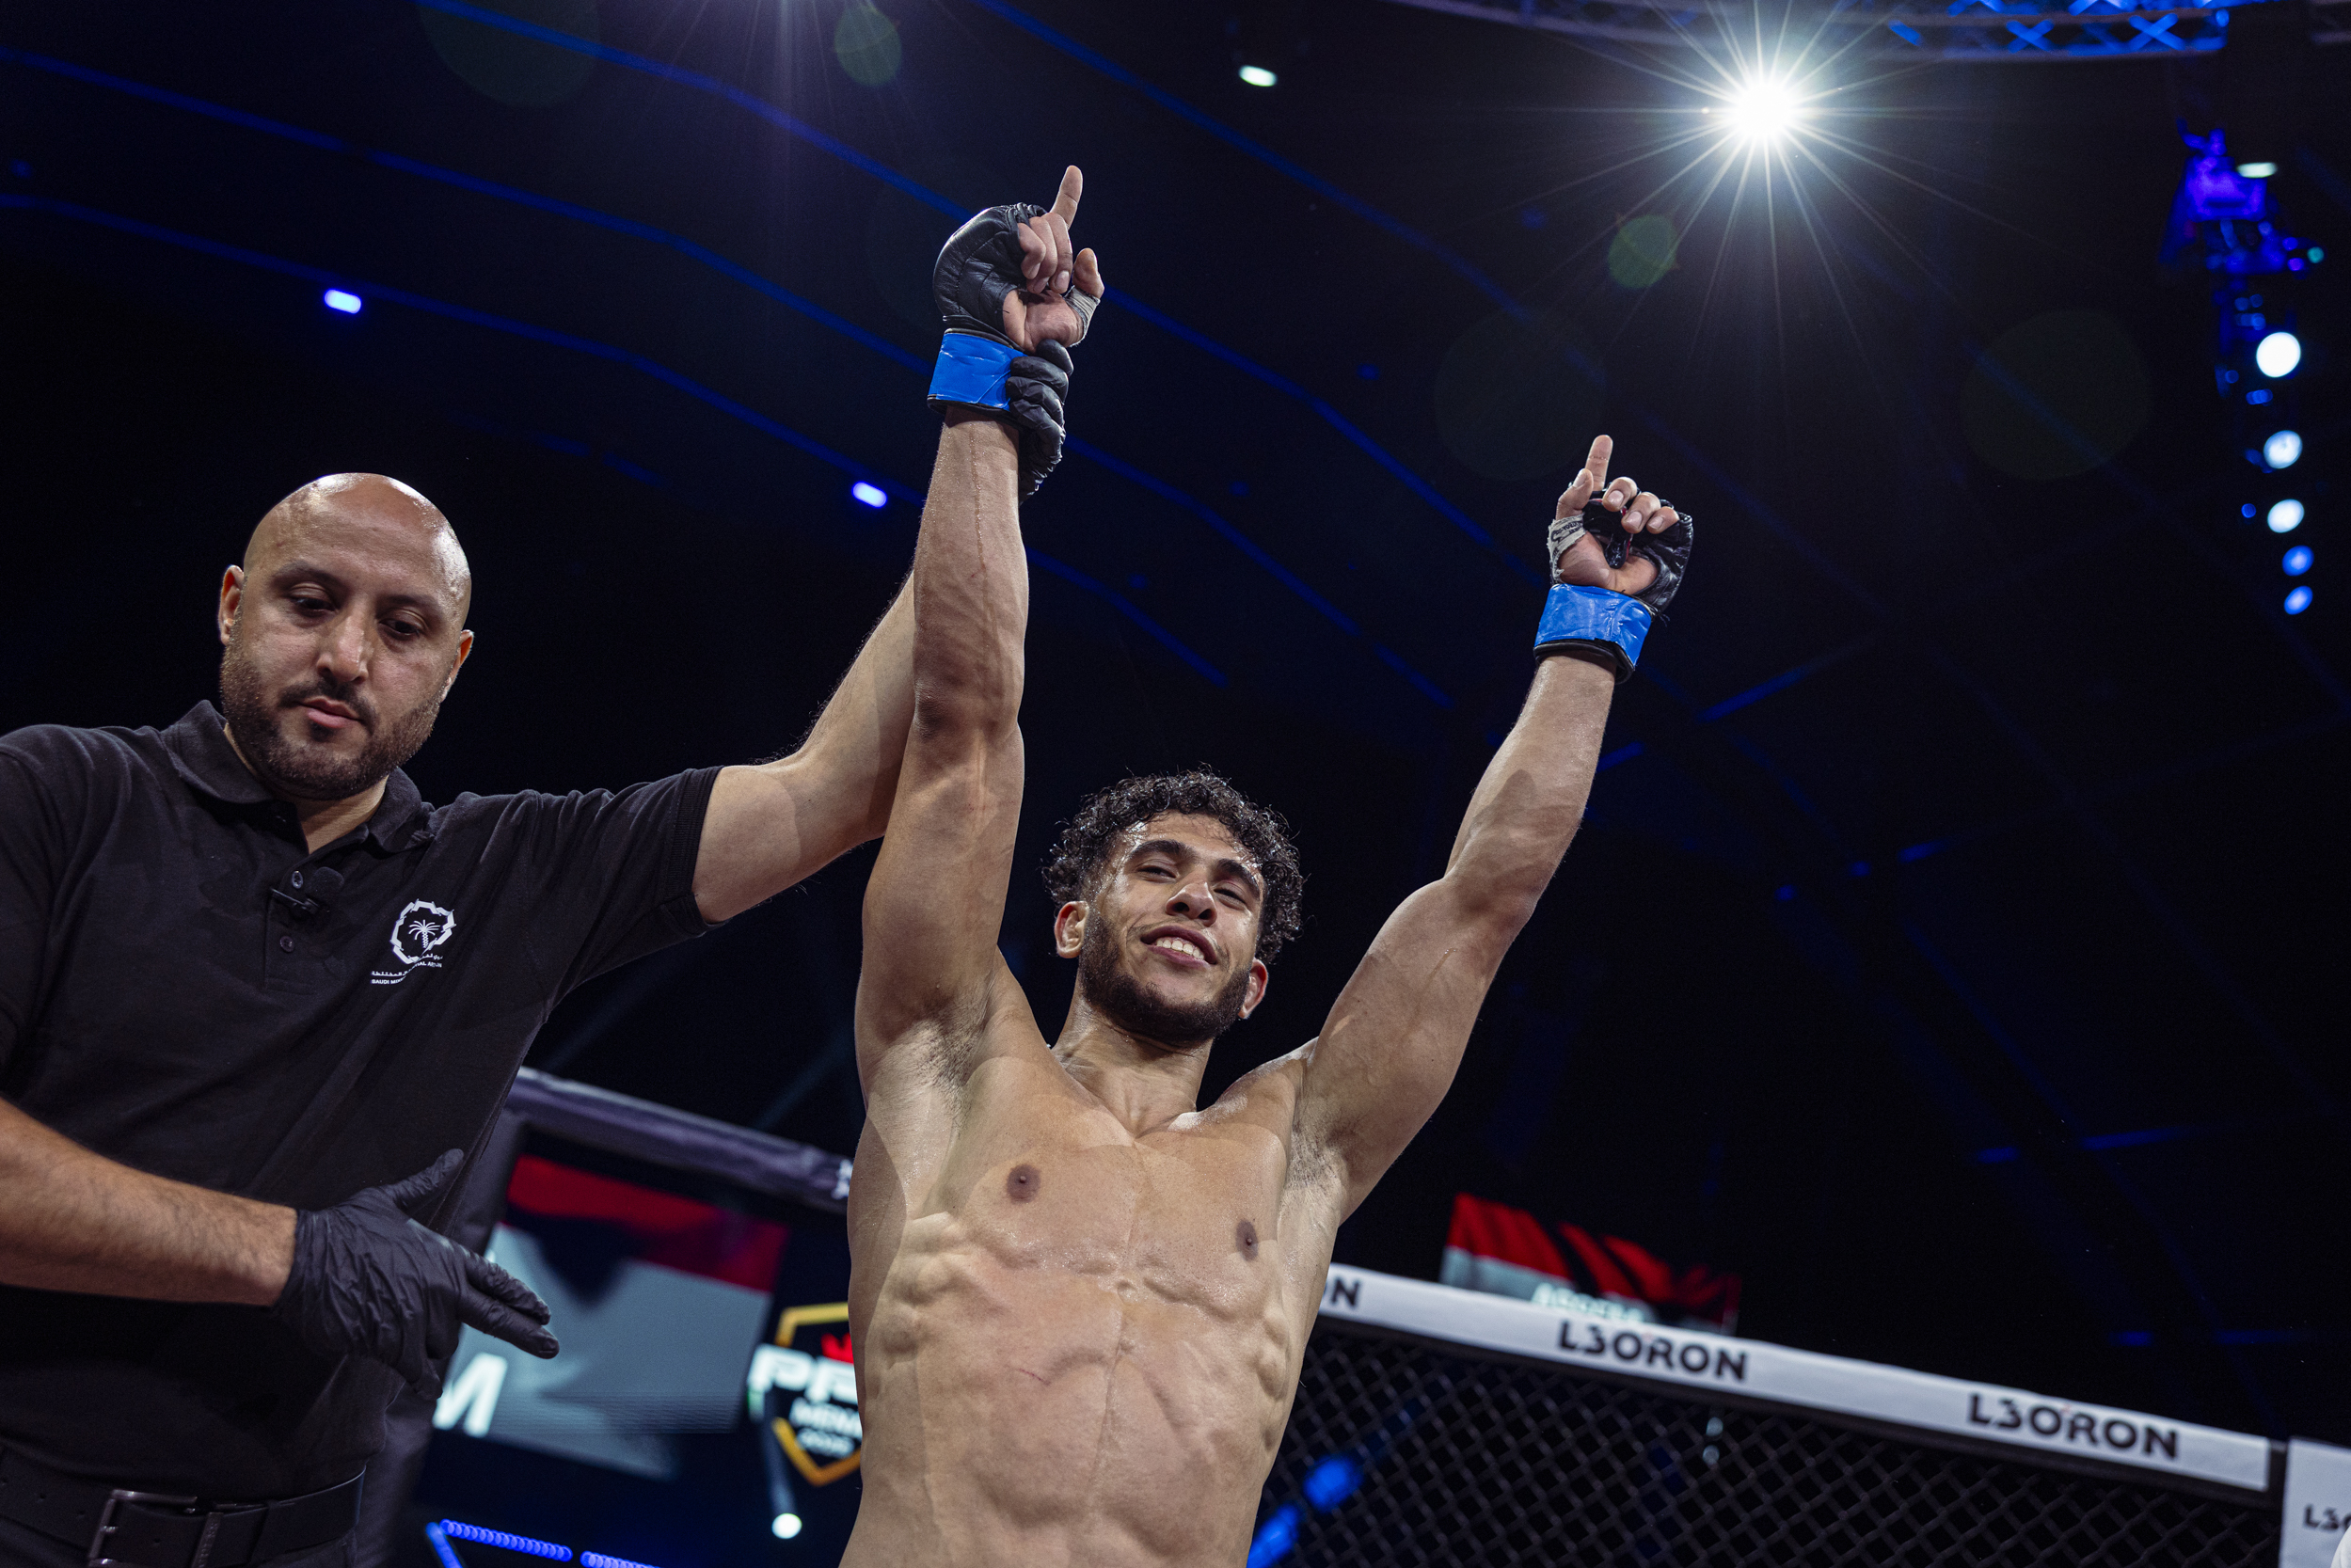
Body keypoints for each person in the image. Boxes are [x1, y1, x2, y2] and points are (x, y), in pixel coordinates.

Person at [845, 166, 1695, 1564]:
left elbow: (1481, 902)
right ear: (1070, 921)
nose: (1196, 892)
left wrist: (1591, 629)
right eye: (1158, 867)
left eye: (1231, 891)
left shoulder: (1298, 1152)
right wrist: (986, 376)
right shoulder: (949, 1056)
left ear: (1253, 986)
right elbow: (961, 725)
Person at [0, 451, 962, 1567]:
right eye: (309, 601)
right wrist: (290, 1253)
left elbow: (842, 784)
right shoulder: (54, 795)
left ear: (452, 665)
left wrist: (983, 443)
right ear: (231, 604)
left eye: (403, 627)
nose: (347, 654)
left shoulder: (511, 871)